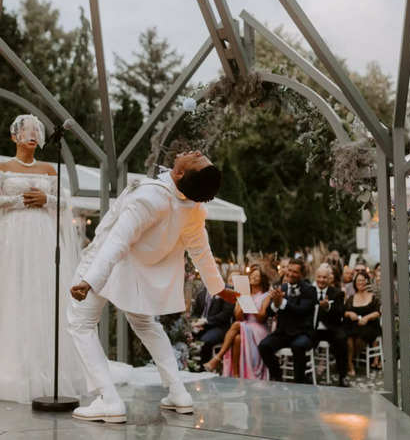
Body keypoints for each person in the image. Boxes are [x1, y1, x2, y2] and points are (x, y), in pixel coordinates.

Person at [67, 150, 237, 423]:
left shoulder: (149, 198)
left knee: (80, 324)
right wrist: (217, 287)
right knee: (146, 325)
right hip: (136, 275)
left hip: (105, 265)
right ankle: (179, 393)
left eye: (198, 158)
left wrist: (90, 280)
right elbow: (201, 250)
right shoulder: (192, 207)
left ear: (180, 173)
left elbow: (117, 241)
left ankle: (108, 400)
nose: (197, 152)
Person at [0, 115, 86, 403]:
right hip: (13, 238)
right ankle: (10, 369)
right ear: (14, 137)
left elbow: (66, 204)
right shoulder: (1, 168)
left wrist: (46, 200)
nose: (31, 134)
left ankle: (48, 369)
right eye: (25, 131)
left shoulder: (49, 170)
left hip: (42, 237)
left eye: (35, 131)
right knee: (12, 295)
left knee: (43, 294)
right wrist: (19, 201)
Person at [203, 264, 272, 379]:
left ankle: (218, 357)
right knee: (237, 339)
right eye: (252, 276)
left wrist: (250, 306)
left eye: (257, 276)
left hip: (259, 328)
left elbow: (261, 317)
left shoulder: (266, 295)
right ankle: (235, 374)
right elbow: (239, 317)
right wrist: (241, 302)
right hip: (245, 325)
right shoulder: (244, 293)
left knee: (235, 325)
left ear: (262, 280)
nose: (253, 278)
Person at [258, 259, 316, 383]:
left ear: (301, 274)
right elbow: (269, 313)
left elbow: (302, 310)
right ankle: (277, 376)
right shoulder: (282, 287)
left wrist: (282, 302)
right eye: (289, 270)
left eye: (295, 272)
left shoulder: (309, 290)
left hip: (302, 332)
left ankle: (299, 382)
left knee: (297, 346)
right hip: (283, 332)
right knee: (264, 346)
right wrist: (275, 304)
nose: (290, 274)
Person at [312, 263, 348, 387]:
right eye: (319, 277)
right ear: (315, 277)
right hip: (314, 328)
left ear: (329, 279)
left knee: (342, 339)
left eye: (324, 278)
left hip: (332, 327)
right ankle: (307, 373)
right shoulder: (309, 291)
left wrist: (328, 307)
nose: (321, 280)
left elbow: (340, 313)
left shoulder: (337, 293)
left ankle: (343, 376)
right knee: (303, 338)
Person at [344, 271, 381, 377]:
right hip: (353, 325)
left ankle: (348, 359)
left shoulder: (373, 296)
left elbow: (378, 312)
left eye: (363, 280)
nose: (360, 282)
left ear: (367, 281)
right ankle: (350, 364)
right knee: (348, 338)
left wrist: (367, 318)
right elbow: (344, 311)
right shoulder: (351, 297)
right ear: (355, 283)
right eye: (358, 280)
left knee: (360, 338)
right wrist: (349, 313)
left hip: (369, 326)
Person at [190, 281, 234, 365]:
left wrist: (206, 321)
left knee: (205, 341)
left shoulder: (228, 290)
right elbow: (195, 313)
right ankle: (189, 365)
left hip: (219, 327)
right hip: (200, 326)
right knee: (184, 336)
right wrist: (195, 322)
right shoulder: (201, 293)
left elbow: (226, 314)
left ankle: (202, 367)